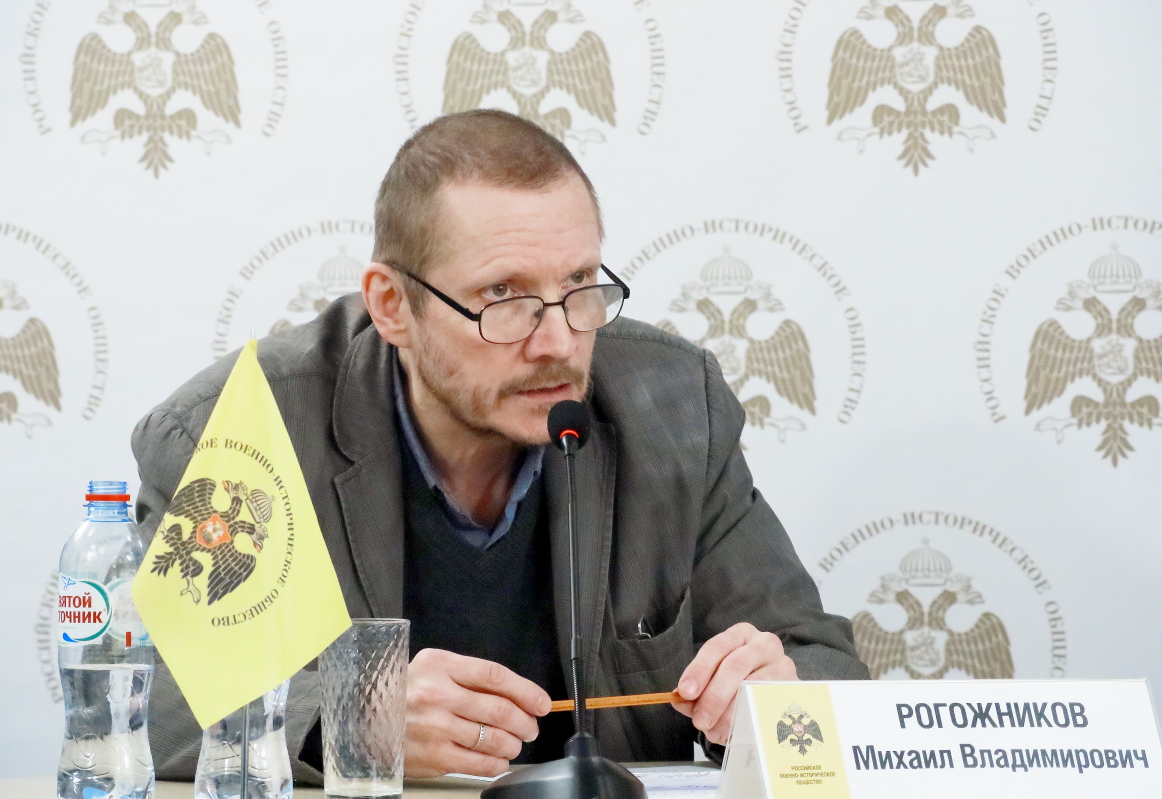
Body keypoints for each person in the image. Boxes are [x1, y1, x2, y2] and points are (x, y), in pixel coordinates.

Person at [131, 109, 867, 783]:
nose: (558, 343)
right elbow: (152, 700)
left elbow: (821, 662)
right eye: (504, 296)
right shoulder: (250, 425)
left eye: (579, 283)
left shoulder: (673, 410)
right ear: (392, 305)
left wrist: (770, 697)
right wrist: (352, 717)